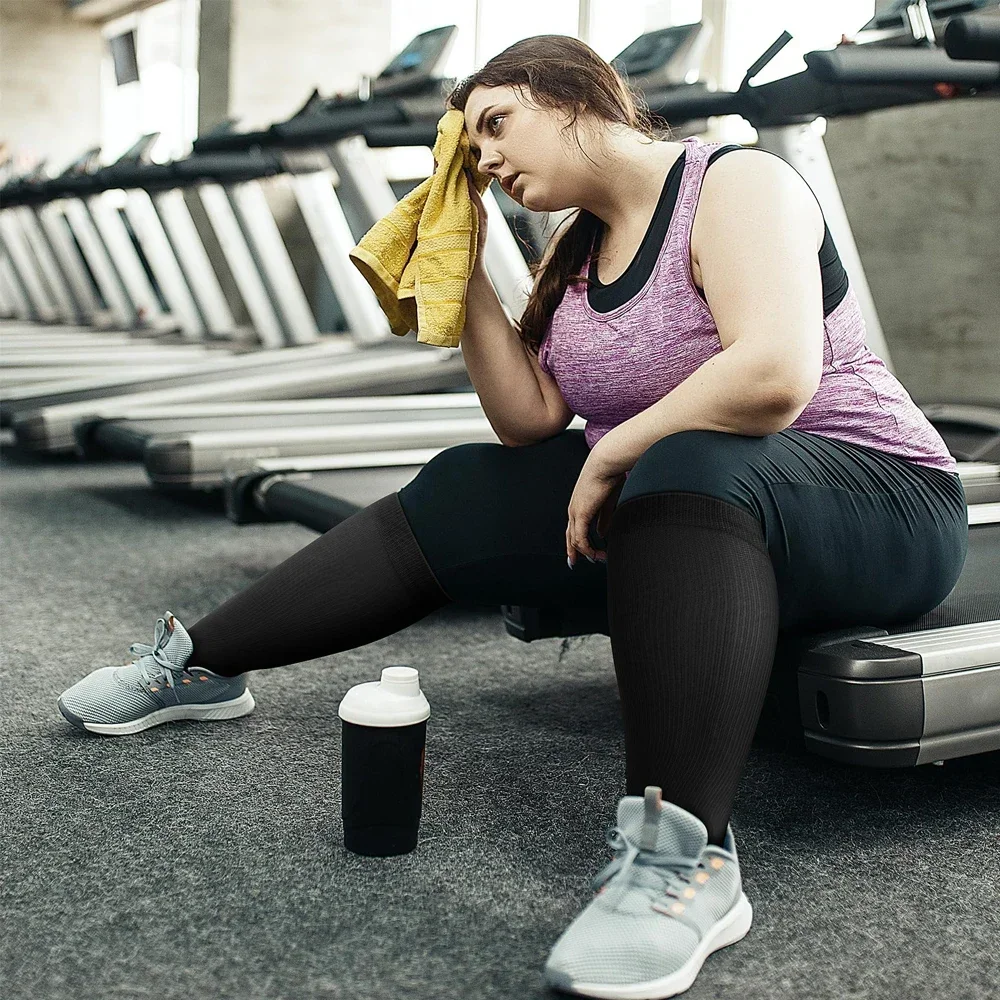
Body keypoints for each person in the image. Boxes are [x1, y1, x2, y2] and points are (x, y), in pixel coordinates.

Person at [58, 35, 968, 1000]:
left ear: (577, 93)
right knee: (467, 482)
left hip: (879, 497)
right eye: (472, 150)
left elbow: (775, 376)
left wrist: (616, 450)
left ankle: (682, 859)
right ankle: (197, 664)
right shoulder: (572, 253)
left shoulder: (736, 181)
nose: (486, 159)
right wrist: (462, 269)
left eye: (496, 124)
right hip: (685, 504)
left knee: (685, 459)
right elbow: (529, 420)